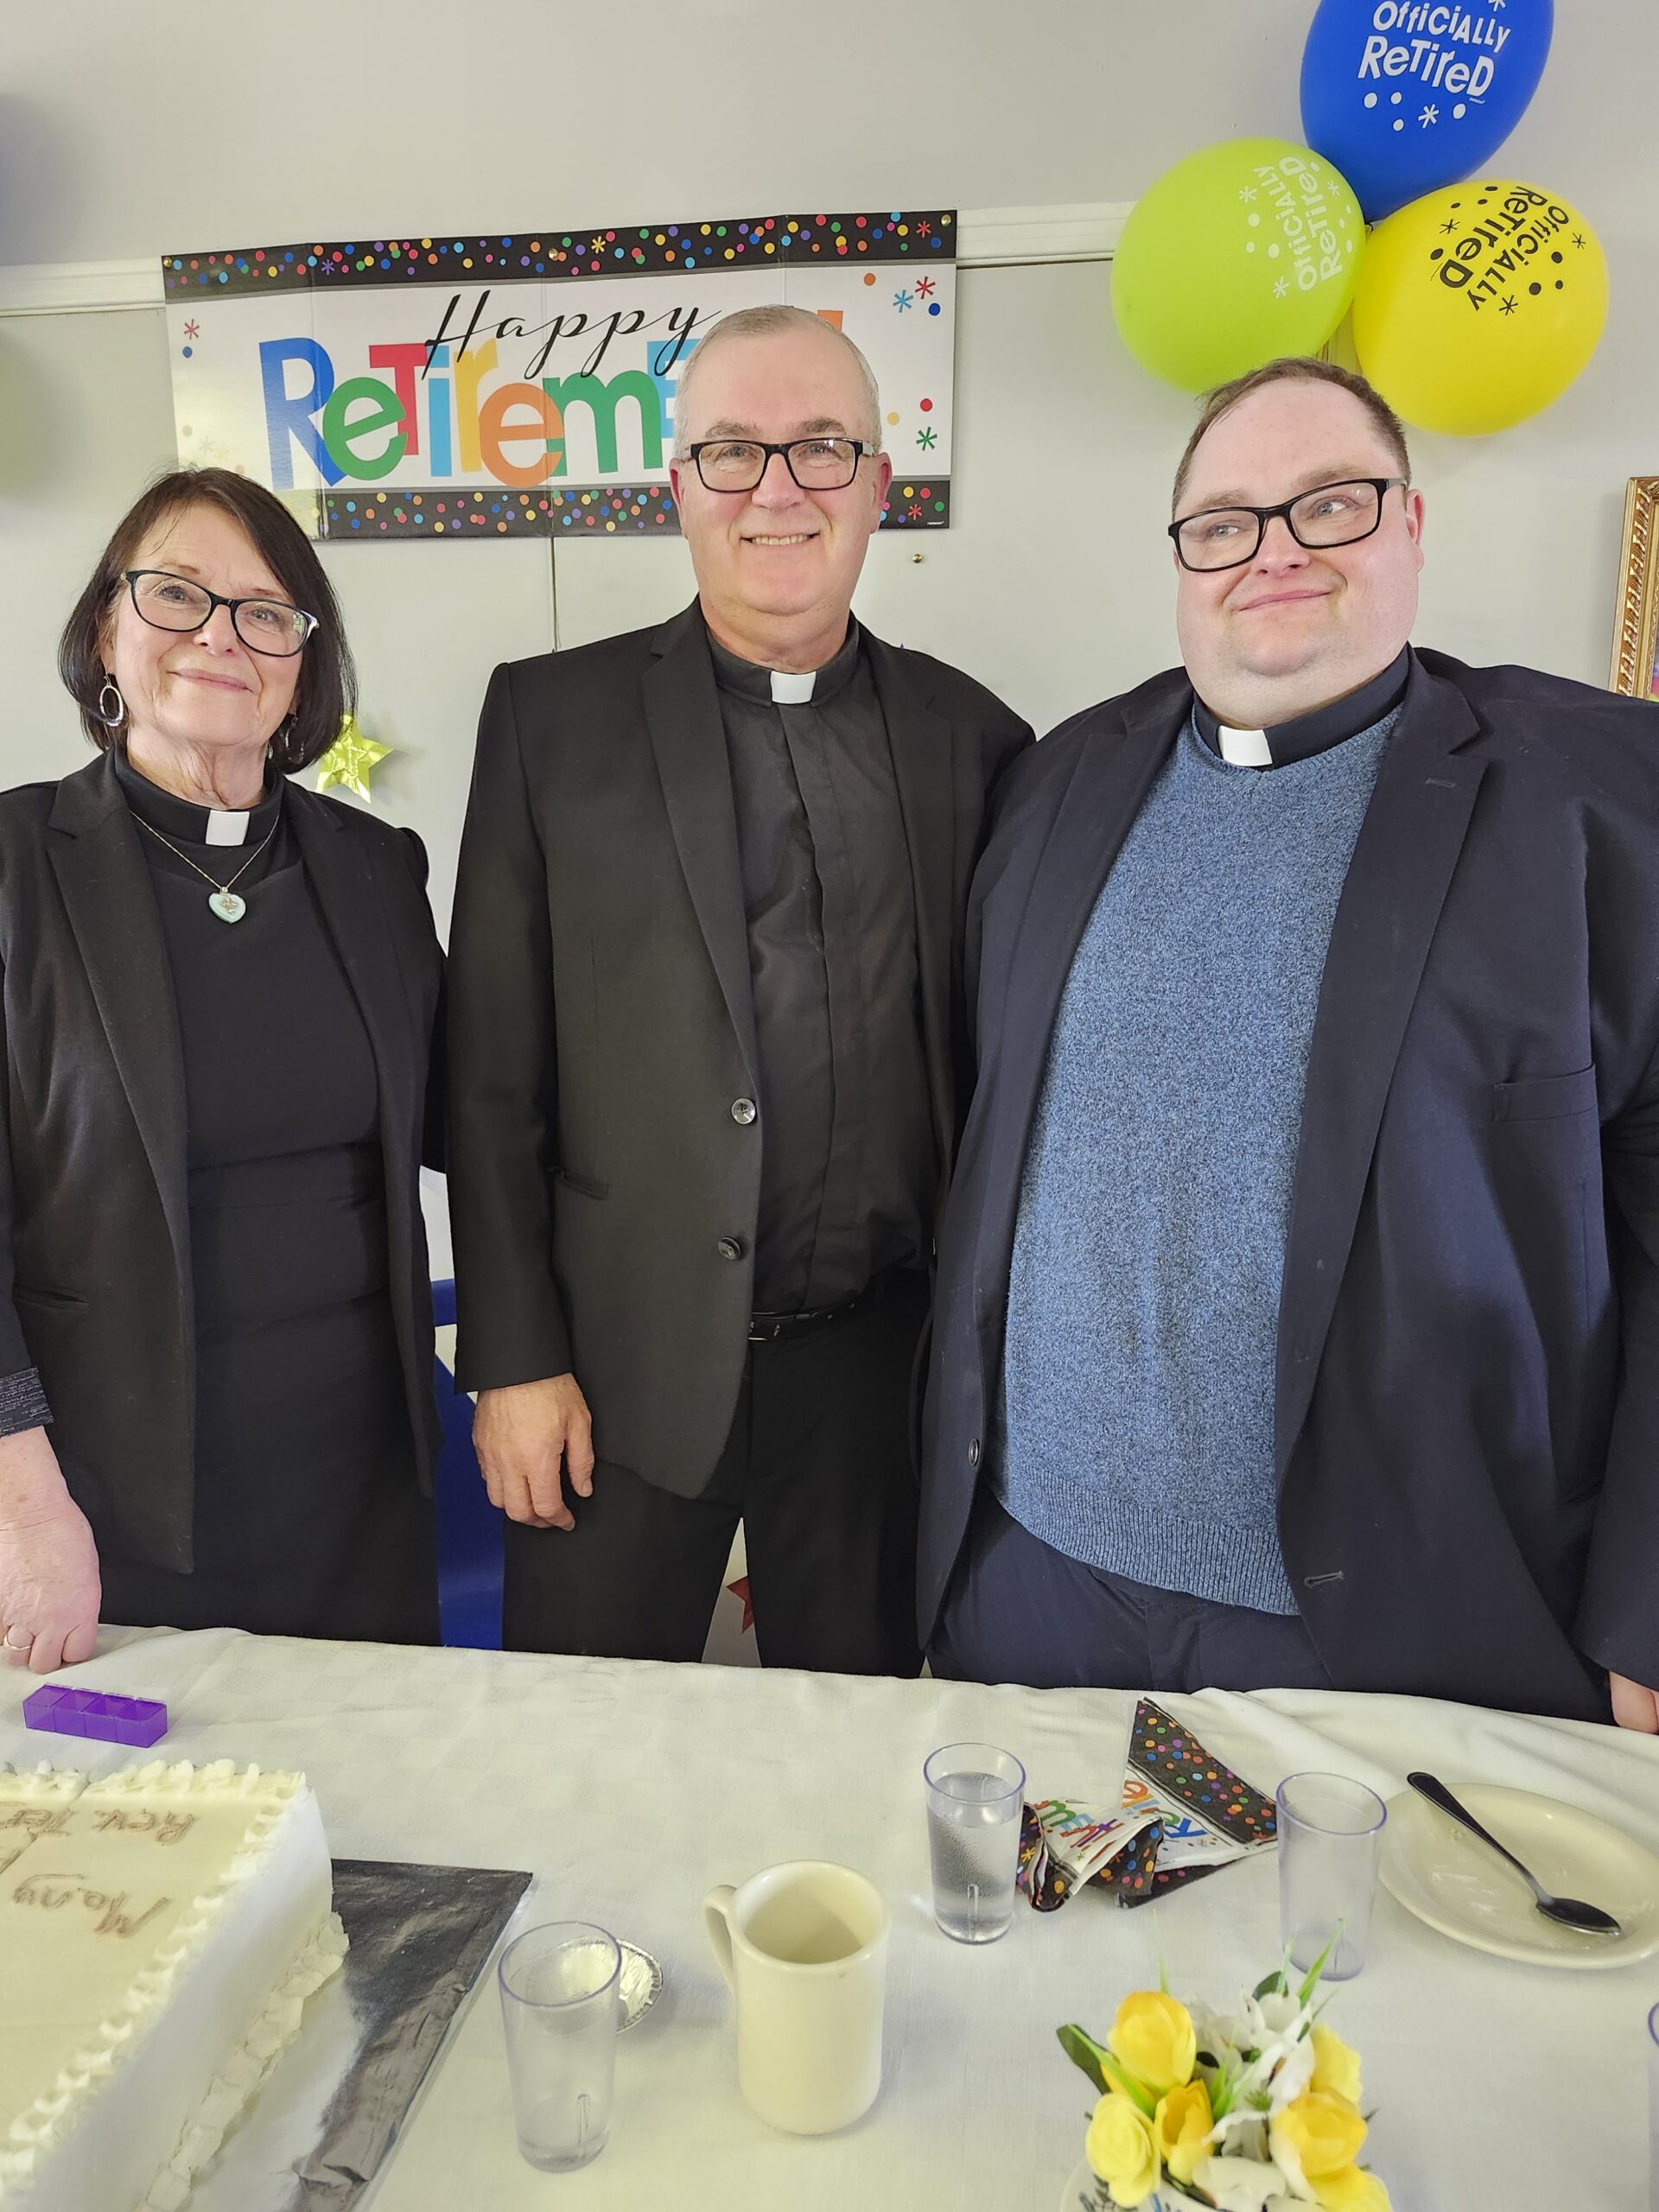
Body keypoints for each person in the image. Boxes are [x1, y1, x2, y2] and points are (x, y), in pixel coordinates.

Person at [918, 356, 1659, 1730]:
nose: (1272, 552)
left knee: (1324, 1958)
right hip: (1029, 1584)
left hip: (1393, 1622)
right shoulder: (1057, 781)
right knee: (1033, 1950)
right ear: (1185, 558)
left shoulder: (1605, 804)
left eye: (1330, 505)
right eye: (1225, 522)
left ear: (1414, 526)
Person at [448, 304, 1031, 1672]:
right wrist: (512, 1361)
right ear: (679, 486)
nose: (778, 489)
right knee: (584, 1762)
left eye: (822, 448)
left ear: (883, 482)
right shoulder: (549, 724)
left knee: (855, 1768)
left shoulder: (979, 739)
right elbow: (487, 1077)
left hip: (877, 1372)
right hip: (613, 1366)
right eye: (732, 452)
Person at [0, 468, 443, 1669]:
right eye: (177, 595)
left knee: (376, 1830)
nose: (221, 637)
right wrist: (24, 1509)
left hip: (358, 1482)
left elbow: (480, 1111)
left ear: (305, 658)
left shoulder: (373, 864)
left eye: (265, 611)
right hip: (105, 1488)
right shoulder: (15, 866)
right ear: (106, 625)